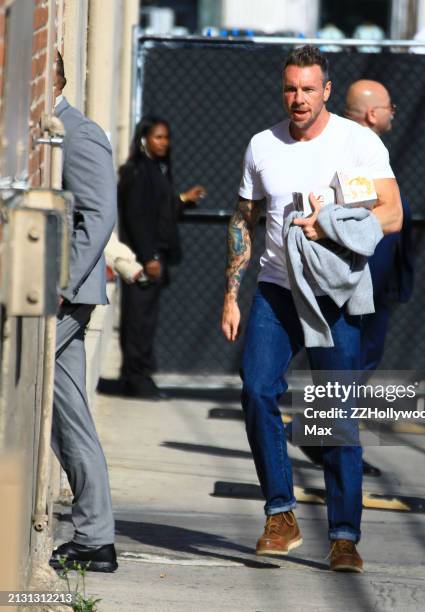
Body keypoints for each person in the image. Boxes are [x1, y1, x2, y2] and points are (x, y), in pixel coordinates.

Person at [221, 45, 402, 572]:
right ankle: (281, 512)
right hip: (277, 289)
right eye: (290, 89)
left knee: (335, 417)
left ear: (326, 90)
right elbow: (242, 220)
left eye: (308, 89)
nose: (298, 98)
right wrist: (231, 293)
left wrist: (331, 224)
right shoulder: (262, 145)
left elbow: (390, 215)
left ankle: (344, 535)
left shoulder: (358, 141)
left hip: (337, 293)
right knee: (256, 388)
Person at [49, 52, 118, 572]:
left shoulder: (79, 131)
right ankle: (96, 539)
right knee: (68, 415)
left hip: (62, 295)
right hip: (50, 290)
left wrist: (61, 283)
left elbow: (98, 214)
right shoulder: (43, 128)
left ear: (53, 75)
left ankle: (97, 536)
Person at [117, 117, 205, 400]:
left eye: (166, 137)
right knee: (137, 321)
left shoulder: (159, 169)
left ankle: (141, 375)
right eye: (158, 137)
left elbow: (161, 209)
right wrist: (148, 256)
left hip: (157, 256)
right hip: (144, 259)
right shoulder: (137, 172)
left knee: (147, 320)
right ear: (144, 140)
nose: (164, 143)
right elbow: (136, 217)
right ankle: (134, 378)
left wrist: (182, 200)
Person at [344, 80, 414, 370]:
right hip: (361, 278)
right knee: (354, 354)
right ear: (372, 114)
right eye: (389, 108)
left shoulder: (365, 147)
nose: (393, 113)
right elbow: (358, 215)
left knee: (361, 353)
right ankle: (332, 415)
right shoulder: (354, 150)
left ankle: (336, 412)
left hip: (374, 278)